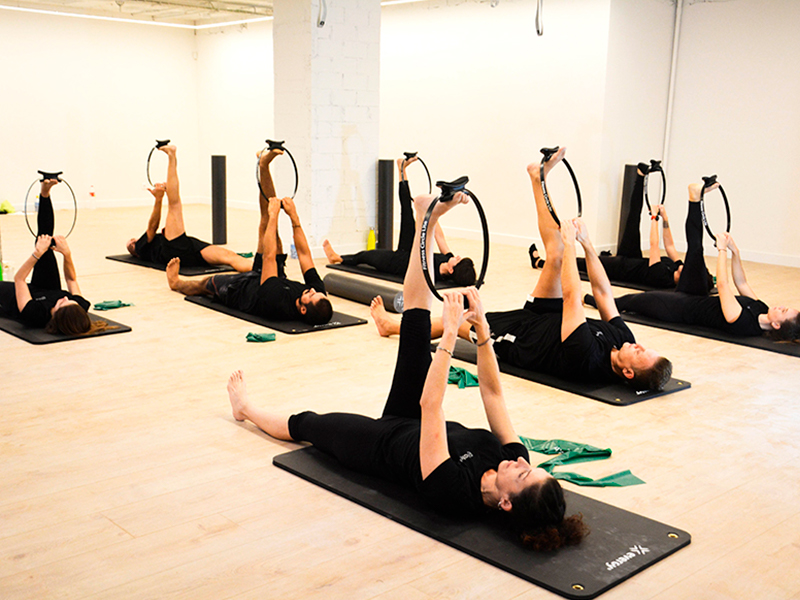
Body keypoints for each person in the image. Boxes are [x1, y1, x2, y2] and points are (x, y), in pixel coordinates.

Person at [226, 190, 587, 550]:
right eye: (529, 466)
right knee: (414, 317)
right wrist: (482, 334)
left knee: (307, 424)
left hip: (381, 443)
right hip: (415, 417)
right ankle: (424, 218)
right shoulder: (512, 458)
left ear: (506, 502)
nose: (519, 462)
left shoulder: (455, 492)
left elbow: (432, 405)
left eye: (522, 474)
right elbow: (492, 393)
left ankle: (245, 408)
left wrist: (448, 334)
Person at [372, 148, 673, 392]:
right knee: (554, 253)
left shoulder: (588, 360)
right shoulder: (622, 339)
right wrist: (588, 245)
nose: (637, 345)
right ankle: (536, 176)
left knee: (463, 321)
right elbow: (604, 293)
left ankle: (392, 326)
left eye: (640, 353)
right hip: (549, 319)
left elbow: (573, 296)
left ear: (629, 372)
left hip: (523, 339)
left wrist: (572, 244)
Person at [597, 182, 800, 341]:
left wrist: (721, 250)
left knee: (631, 301)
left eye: (782, 311)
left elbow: (723, 285)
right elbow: (742, 283)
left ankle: (590, 300)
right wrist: (735, 251)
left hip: (681, 308)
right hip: (696, 293)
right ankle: (695, 197)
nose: (779, 306)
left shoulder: (744, 324)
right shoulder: (761, 308)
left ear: (776, 325)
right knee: (696, 250)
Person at [165, 148, 333, 325]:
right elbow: (305, 255)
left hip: (240, 290)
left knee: (205, 285)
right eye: (316, 292)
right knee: (271, 229)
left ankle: (176, 283)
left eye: (311, 295)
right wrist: (294, 218)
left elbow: (269, 256)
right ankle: (264, 165)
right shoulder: (317, 293)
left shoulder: (275, 302)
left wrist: (275, 216)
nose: (312, 290)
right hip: (273, 280)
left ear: (303, 309)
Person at [531, 162, 699, 289]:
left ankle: (539, 262)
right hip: (634, 258)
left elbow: (655, 246)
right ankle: (641, 176)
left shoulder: (662, 278)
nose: (683, 267)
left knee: (580, 262)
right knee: (632, 219)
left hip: (622, 268)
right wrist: (665, 217)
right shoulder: (678, 267)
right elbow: (669, 245)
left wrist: (655, 218)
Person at [322, 155, 476, 286]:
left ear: (451, 270)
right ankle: (401, 168)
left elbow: (423, 237)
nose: (456, 256)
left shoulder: (430, 272)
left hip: (398, 262)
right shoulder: (448, 258)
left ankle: (338, 258)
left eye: (457, 260)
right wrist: (433, 215)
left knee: (366, 256)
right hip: (410, 248)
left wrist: (426, 216)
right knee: (406, 210)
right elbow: (439, 237)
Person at [0, 179, 107, 335]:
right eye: (69, 300)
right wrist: (67, 254)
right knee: (45, 237)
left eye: (62, 304)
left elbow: (19, 279)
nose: (64, 298)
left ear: (55, 316)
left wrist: (37, 254)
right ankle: (45, 193)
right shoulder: (78, 305)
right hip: (46, 287)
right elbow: (71, 280)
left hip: (18, 295)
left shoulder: (36, 314)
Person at [125, 144, 252, 272]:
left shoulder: (147, 246)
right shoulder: (141, 248)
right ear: (134, 248)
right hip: (173, 251)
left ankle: (264, 272)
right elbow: (152, 227)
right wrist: (158, 199)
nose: (132, 240)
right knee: (174, 204)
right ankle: (171, 155)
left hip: (191, 247)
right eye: (131, 242)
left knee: (230, 256)